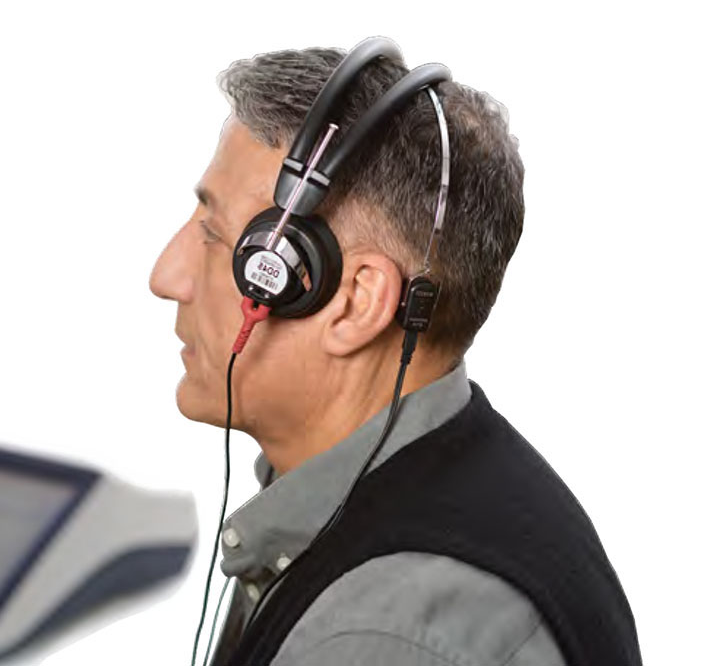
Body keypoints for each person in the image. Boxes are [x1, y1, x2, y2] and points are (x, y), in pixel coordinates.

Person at [149, 43, 641, 666]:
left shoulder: (381, 635)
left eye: (213, 235)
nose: (165, 277)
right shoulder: (450, 486)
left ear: (356, 302)